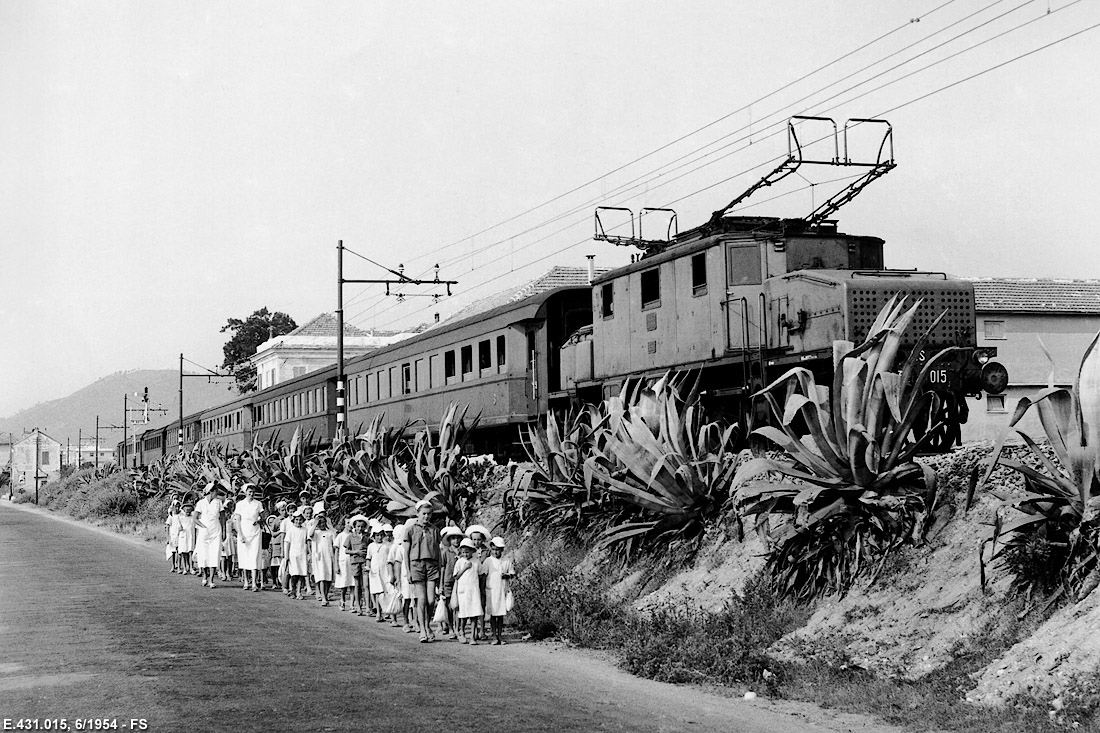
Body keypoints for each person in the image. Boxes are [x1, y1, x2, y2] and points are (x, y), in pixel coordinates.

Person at [404, 500, 442, 643]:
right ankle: (423, 630)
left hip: (431, 566)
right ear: (417, 513)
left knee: (431, 600)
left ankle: (426, 624)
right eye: (423, 514)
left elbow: (438, 551)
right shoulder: (411, 529)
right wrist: (408, 571)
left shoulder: (434, 530)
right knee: (422, 599)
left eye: (429, 514)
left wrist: (439, 569)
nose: (426, 516)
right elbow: (406, 553)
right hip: (417, 565)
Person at [483, 537, 515, 645]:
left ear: (502, 550)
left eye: (498, 549)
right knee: (493, 614)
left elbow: (512, 573)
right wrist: (483, 589)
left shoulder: (506, 561)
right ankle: (494, 635)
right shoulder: (488, 561)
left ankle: (500, 635)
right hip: (491, 590)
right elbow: (484, 574)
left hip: (502, 589)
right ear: (491, 549)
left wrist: (507, 575)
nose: (496, 552)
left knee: (500, 614)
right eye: (494, 549)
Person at [233, 484, 266, 592]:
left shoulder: (258, 503)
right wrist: (240, 534)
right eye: (249, 492)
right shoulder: (240, 504)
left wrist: (260, 520)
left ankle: (254, 583)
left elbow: (263, 516)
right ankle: (246, 582)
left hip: (255, 532)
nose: (251, 494)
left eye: (253, 492)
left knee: (255, 556)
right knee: (244, 556)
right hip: (244, 533)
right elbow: (237, 520)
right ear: (245, 492)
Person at [193, 483, 225, 588]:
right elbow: (195, 518)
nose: (217, 493)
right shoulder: (200, 503)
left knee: (214, 554)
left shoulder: (218, 502)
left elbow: (223, 517)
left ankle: (211, 579)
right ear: (211, 491)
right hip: (204, 532)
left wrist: (224, 530)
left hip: (216, 531)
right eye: (215, 491)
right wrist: (202, 526)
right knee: (204, 555)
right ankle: (205, 576)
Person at [452, 538, 483, 645]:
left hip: (474, 591)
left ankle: (473, 636)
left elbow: (480, 574)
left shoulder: (476, 562)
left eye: (467, 552)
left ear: (472, 551)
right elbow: (456, 576)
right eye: (463, 552)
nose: (465, 554)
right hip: (463, 591)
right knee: (464, 614)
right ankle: (462, 631)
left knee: (474, 614)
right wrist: (464, 568)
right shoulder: (460, 562)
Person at [465, 524, 491, 640]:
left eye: (479, 539)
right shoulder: (470, 550)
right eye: (474, 539)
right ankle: (473, 630)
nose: (476, 542)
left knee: (482, 602)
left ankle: (482, 629)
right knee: (473, 603)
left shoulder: (487, 550)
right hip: (471, 579)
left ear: (483, 539)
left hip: (483, 579)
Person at [342, 515, 369, 615]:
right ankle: (358, 606)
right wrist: (356, 552)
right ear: (354, 526)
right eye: (358, 526)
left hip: (365, 562)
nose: (360, 528)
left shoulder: (367, 537)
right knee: (357, 585)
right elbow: (346, 550)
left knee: (366, 585)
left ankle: (368, 607)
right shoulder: (350, 536)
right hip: (355, 562)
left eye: (362, 526)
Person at [439, 526, 463, 638]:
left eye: (458, 538)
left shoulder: (464, 552)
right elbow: (443, 568)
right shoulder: (445, 552)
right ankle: (451, 628)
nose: (456, 541)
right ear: (449, 540)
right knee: (449, 605)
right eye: (453, 538)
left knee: (458, 606)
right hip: (448, 581)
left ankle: (458, 628)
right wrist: (440, 585)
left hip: (461, 581)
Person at [389, 523, 413, 632]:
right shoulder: (400, 547)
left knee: (417, 600)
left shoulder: (417, 546)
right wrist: (397, 578)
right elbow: (397, 562)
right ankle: (406, 622)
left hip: (417, 575)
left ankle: (416, 621)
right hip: (405, 577)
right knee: (406, 599)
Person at [284, 509, 310, 600]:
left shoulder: (305, 530)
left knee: (301, 573)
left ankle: (299, 592)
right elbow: (287, 543)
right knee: (294, 574)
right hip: (293, 554)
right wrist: (286, 556)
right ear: (293, 520)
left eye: (300, 520)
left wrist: (308, 553)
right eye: (296, 520)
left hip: (302, 553)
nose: (298, 522)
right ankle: (293, 590)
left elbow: (307, 542)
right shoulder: (291, 530)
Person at [311, 511, 335, 606]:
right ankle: (323, 598)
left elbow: (335, 540)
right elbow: (310, 534)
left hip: (328, 556)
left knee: (328, 578)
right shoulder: (315, 533)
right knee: (321, 577)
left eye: (323, 522)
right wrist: (315, 523)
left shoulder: (329, 533)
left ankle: (325, 594)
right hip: (319, 557)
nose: (321, 524)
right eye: (319, 523)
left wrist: (330, 526)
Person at [333, 516, 353, 611]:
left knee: (353, 583)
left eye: (351, 522)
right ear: (344, 524)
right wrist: (336, 565)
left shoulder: (354, 535)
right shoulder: (340, 535)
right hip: (343, 561)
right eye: (348, 522)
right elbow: (336, 551)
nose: (350, 525)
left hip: (353, 561)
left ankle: (352, 604)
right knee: (344, 583)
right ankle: (342, 599)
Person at [177, 502, 196, 575]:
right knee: (184, 552)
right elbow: (178, 527)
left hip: (190, 535)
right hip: (183, 536)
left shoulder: (192, 518)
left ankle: (191, 568)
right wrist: (180, 528)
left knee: (191, 551)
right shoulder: (180, 518)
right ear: (184, 510)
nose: (188, 512)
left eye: (189, 511)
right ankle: (184, 568)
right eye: (186, 510)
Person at [265, 514, 283, 590]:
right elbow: (273, 534)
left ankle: (280, 581)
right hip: (273, 546)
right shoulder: (270, 529)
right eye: (270, 522)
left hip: (280, 546)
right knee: (273, 566)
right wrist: (280, 531)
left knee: (280, 566)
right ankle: (274, 582)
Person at [165, 499, 182, 573]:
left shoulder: (181, 515)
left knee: (179, 551)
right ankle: (173, 566)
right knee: (173, 552)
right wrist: (167, 538)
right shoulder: (171, 516)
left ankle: (179, 567)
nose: (177, 508)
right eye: (176, 507)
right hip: (173, 535)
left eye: (178, 506)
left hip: (180, 535)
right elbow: (168, 526)